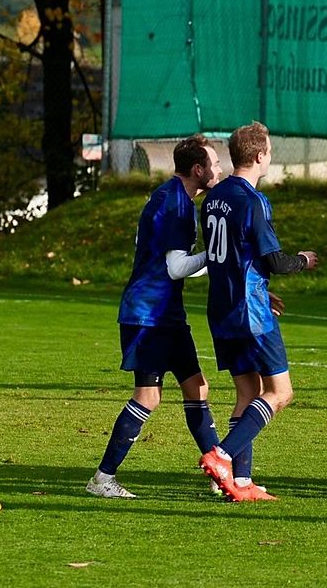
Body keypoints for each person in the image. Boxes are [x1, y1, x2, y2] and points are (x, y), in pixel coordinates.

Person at [87, 134, 223, 498]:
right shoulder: (175, 203)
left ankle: (219, 475)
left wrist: (214, 260)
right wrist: (217, 253)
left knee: (197, 387)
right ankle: (102, 478)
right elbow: (177, 267)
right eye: (215, 162)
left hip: (166, 314)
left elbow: (177, 267)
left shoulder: (175, 198)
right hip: (147, 315)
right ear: (199, 169)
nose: (219, 168)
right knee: (148, 397)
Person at [197, 121, 319, 501]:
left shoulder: (212, 199)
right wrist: (303, 260)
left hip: (222, 307)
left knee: (247, 392)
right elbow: (274, 261)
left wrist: (262, 293)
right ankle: (222, 456)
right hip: (248, 310)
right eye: (269, 150)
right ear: (260, 155)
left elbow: (231, 258)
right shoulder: (252, 200)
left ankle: (241, 482)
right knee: (280, 392)